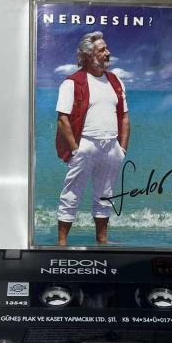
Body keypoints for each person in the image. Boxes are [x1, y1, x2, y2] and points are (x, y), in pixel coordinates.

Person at [55, 31, 130, 245]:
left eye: (107, 49)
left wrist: (122, 149)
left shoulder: (115, 81)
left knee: (105, 195)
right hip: (85, 145)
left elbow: (124, 116)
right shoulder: (72, 83)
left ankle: (102, 240)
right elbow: (62, 119)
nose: (108, 53)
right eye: (102, 50)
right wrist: (75, 148)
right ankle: (62, 243)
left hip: (112, 146)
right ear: (89, 55)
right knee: (71, 195)